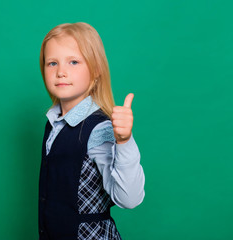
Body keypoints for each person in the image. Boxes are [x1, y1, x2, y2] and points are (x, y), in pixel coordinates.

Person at [38, 22, 145, 240]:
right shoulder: (53, 122)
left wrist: (124, 141)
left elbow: (129, 199)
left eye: (74, 62)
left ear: (95, 71)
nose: (61, 72)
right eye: (52, 63)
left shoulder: (99, 128)